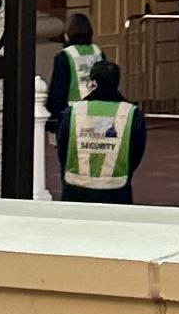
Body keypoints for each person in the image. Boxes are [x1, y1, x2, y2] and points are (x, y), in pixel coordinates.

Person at [56, 50, 144, 205]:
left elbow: (63, 147)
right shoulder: (131, 113)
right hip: (116, 187)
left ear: (93, 82)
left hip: (76, 187)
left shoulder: (74, 111)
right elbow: (136, 151)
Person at [43, 10, 102, 193]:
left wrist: (52, 121)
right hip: (97, 112)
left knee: (70, 162)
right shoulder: (97, 52)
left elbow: (58, 90)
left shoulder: (65, 56)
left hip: (72, 114)